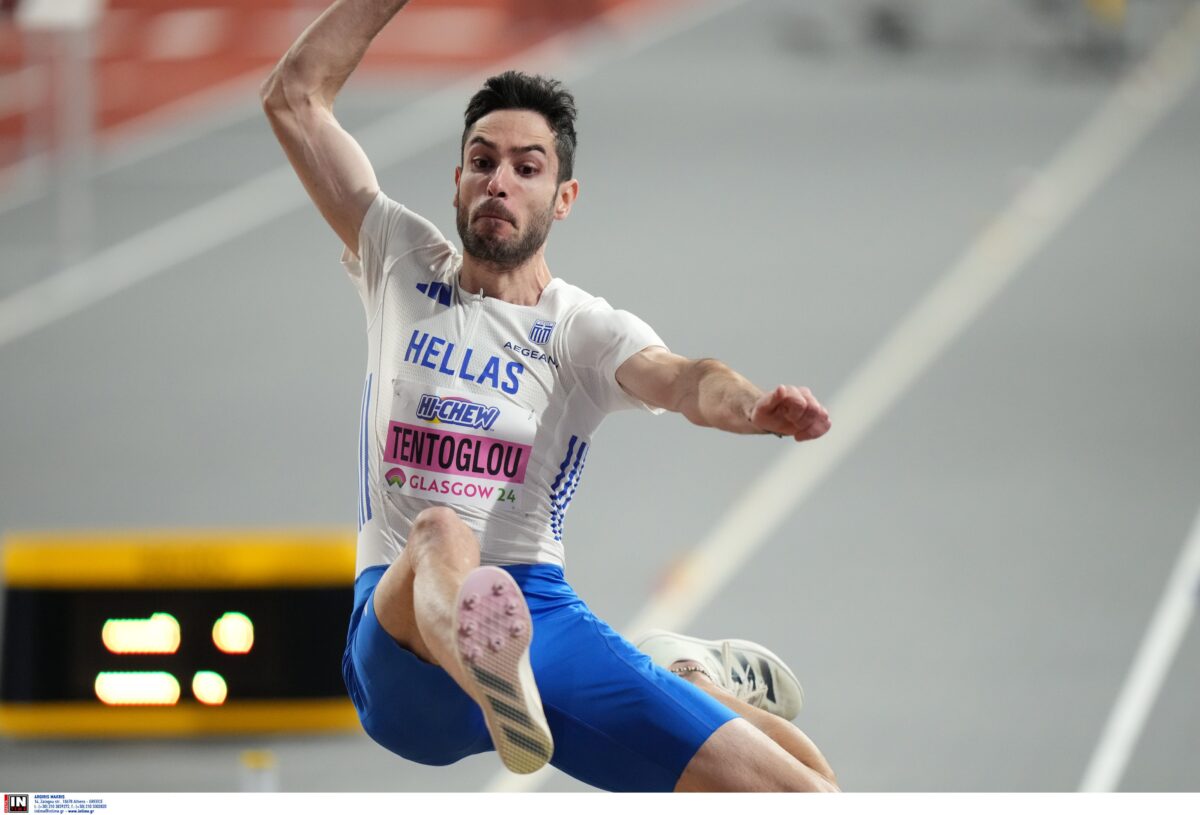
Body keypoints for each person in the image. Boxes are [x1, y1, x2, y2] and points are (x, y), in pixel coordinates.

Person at [261, 0, 838, 793]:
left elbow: (684, 378)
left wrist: (753, 407)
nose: (499, 181)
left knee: (810, 794)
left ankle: (682, 676)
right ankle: (496, 675)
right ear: (457, 178)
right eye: (482, 160)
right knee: (438, 531)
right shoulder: (399, 259)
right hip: (403, 637)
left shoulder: (582, 329)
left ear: (562, 198)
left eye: (527, 167)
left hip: (536, 613)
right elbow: (293, 98)